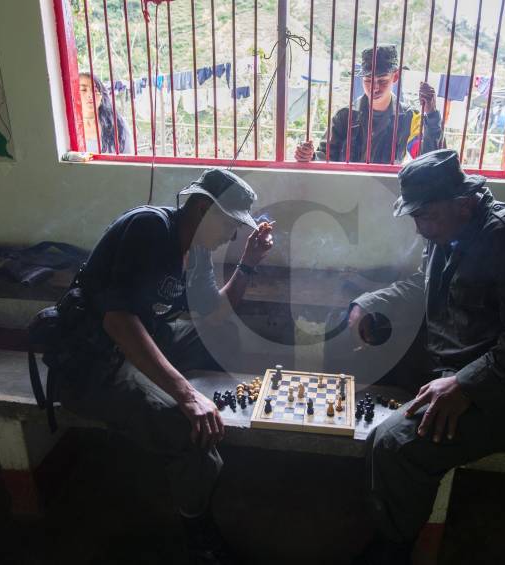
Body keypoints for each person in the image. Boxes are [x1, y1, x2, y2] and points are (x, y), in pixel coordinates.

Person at [345, 149, 505, 564]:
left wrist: (466, 385)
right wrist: (371, 302)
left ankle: (394, 548)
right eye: (415, 218)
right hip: (465, 369)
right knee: (361, 373)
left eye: (427, 217)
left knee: (396, 443)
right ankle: (383, 509)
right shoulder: (449, 233)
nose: (420, 229)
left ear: (464, 203)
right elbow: (427, 284)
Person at [48, 168, 273, 564]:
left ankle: (161, 402)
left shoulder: (197, 250)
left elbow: (214, 316)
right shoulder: (149, 228)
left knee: (218, 335)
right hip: (94, 363)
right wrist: (185, 396)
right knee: (195, 435)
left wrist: (249, 263)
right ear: (203, 208)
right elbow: (117, 319)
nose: (234, 235)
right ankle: (199, 534)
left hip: (138, 341)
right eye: (231, 224)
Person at [293, 44, 442, 164]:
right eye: (368, 80)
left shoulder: (409, 118)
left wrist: (431, 115)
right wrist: (309, 156)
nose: (375, 87)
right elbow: (325, 156)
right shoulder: (345, 117)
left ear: (395, 77)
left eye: (382, 80)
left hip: (386, 192)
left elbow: (427, 159)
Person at [79, 72, 131, 154]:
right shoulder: (65, 129)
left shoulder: (119, 124)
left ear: (101, 95)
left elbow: (129, 160)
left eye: (95, 90)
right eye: (83, 90)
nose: (90, 95)